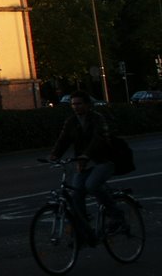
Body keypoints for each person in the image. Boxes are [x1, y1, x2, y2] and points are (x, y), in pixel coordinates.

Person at [48, 90, 122, 240]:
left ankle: (116, 216)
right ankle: (83, 229)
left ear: (87, 105)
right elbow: (63, 140)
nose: (75, 107)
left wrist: (86, 155)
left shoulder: (97, 119)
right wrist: (55, 154)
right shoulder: (71, 121)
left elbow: (99, 139)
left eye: (79, 103)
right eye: (73, 104)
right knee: (76, 194)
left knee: (92, 185)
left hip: (103, 160)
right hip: (83, 163)